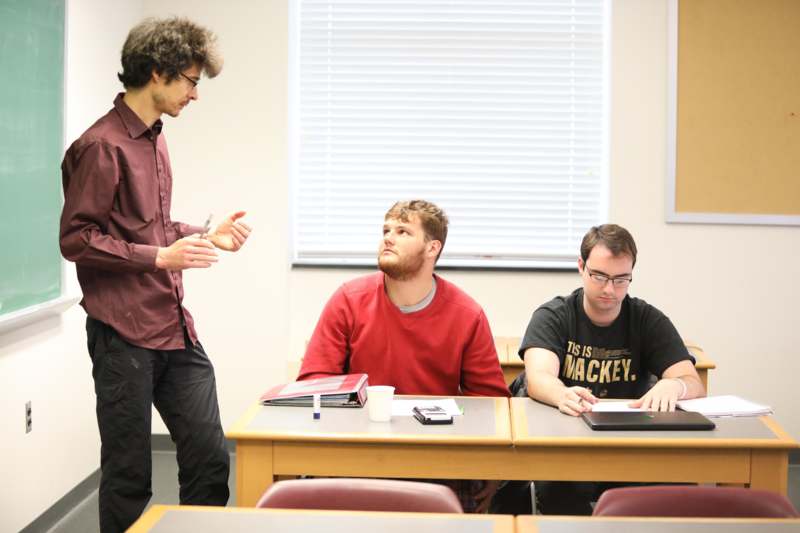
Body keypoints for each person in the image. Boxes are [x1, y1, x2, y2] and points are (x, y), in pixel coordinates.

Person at [60, 17, 251, 533]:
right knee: (129, 477)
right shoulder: (102, 146)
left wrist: (204, 233)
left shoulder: (154, 139)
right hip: (122, 334)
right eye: (190, 81)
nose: (195, 94)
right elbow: (77, 239)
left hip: (172, 326)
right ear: (157, 72)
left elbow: (152, 226)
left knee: (210, 459)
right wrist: (159, 258)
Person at [298, 199, 510, 512]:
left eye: (403, 232)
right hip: (357, 449)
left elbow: (490, 402)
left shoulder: (467, 314)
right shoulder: (348, 299)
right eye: (386, 230)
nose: (388, 238)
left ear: (432, 248)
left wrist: (490, 467)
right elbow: (314, 381)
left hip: (435, 454)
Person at [507, 223, 705, 515]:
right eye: (599, 276)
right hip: (564, 444)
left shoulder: (647, 319)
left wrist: (676, 385)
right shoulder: (554, 315)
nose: (610, 289)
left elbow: (694, 381)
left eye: (621, 279)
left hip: (629, 445)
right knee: (558, 491)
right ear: (581, 267)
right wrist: (562, 394)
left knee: (676, 481)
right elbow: (538, 378)